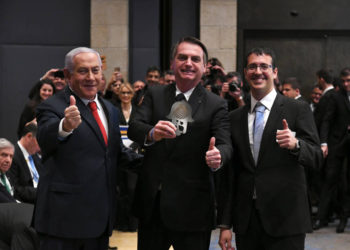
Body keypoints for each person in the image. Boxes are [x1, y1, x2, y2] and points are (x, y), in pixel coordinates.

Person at [128, 36, 232, 250]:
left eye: (195, 59)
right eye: (182, 57)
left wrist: (218, 155)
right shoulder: (154, 93)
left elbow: (225, 143)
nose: (188, 63)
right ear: (172, 63)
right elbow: (134, 127)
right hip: (153, 206)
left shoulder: (216, 104)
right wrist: (151, 133)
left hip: (193, 208)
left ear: (204, 67)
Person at [33, 47, 141, 250]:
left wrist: (156, 160)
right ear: (67, 74)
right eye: (83, 71)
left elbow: (115, 153)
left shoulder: (110, 109)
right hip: (63, 223)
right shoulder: (53, 106)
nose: (91, 77)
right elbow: (46, 140)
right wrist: (64, 126)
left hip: (100, 221)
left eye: (95, 70)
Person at [218, 47, 322, 250]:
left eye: (264, 66)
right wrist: (225, 224)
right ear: (245, 73)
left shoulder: (297, 109)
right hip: (247, 223)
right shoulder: (235, 118)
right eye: (252, 67)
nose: (258, 71)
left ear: (274, 72)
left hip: (286, 221)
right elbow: (231, 176)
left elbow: (317, 157)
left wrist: (296, 145)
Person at [315, 67, 350, 233]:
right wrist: (324, 142)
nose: (346, 84)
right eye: (343, 81)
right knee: (330, 180)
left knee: (346, 183)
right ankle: (321, 217)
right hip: (337, 145)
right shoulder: (335, 97)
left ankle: (344, 218)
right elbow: (327, 120)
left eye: (348, 80)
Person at [0, 138, 39, 250]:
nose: (8, 160)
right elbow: (7, 202)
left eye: (11, 156)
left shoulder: (8, 176)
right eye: (3, 155)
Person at [7, 123, 43, 204]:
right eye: (39, 141)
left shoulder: (35, 157)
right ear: (29, 136)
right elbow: (16, 189)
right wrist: (41, 192)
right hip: (28, 203)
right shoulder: (12, 156)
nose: (41, 147)